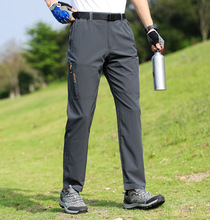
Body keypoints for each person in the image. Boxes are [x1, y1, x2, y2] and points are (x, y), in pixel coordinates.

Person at [45, 0, 165, 215]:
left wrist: (150, 28)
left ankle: (134, 189)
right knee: (80, 113)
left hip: (121, 31)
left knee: (131, 111)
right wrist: (53, 4)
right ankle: (70, 188)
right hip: (86, 28)